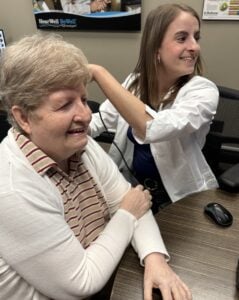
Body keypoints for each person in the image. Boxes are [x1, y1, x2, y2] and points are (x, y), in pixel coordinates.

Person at [0, 34, 191, 300]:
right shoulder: (11, 189)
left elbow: (134, 203)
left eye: (83, 98)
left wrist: (155, 258)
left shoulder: (81, 146)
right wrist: (126, 214)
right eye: (65, 104)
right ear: (23, 118)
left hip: (105, 276)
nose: (86, 114)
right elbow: (82, 281)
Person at [89, 3, 219, 214]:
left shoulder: (203, 91)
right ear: (155, 46)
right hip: (132, 190)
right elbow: (100, 120)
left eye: (196, 37)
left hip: (179, 199)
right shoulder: (134, 83)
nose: (194, 46)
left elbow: (153, 128)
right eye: (182, 38)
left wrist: (99, 73)